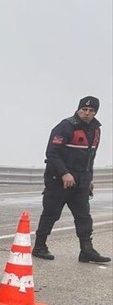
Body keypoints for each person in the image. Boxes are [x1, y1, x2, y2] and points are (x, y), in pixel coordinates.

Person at [32, 96, 109, 263]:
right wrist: (64, 173)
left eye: (91, 110)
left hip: (81, 182)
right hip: (58, 180)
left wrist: (89, 179)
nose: (87, 113)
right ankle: (39, 247)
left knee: (84, 217)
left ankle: (86, 251)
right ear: (78, 109)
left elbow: (90, 157)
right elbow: (52, 154)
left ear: (95, 112)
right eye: (84, 109)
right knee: (51, 214)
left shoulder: (96, 129)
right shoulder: (65, 127)